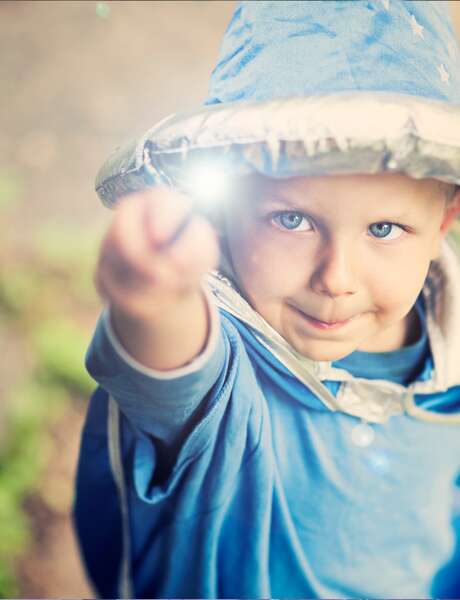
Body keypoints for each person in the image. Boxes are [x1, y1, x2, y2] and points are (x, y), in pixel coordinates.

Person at [74, 1, 460, 598]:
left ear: (444, 220)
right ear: (227, 205)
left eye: (383, 229)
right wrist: (154, 291)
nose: (336, 278)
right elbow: (172, 362)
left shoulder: (451, 357)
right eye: (292, 219)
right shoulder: (225, 372)